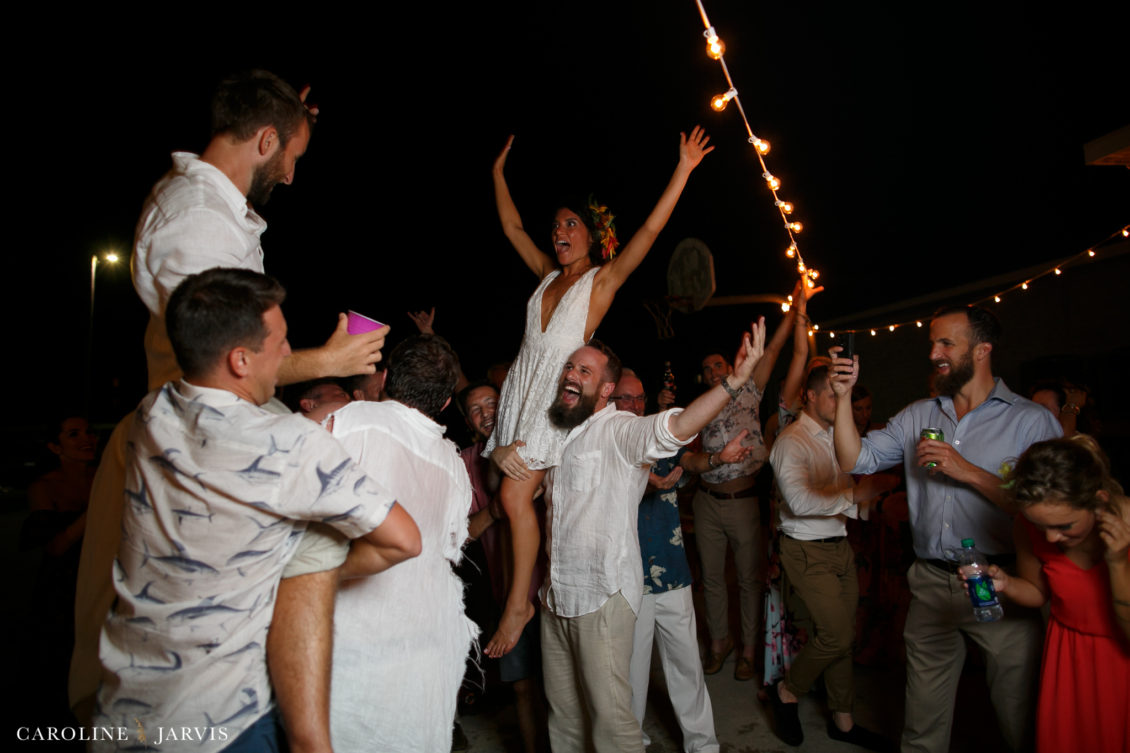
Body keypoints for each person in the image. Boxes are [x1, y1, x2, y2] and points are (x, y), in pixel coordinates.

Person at [71, 70, 388, 752]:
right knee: (310, 549)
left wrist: (289, 118)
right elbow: (220, 358)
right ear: (264, 139)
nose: (294, 176)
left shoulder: (213, 206)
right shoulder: (197, 219)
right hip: (195, 460)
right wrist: (329, 364)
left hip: (203, 443)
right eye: (292, 157)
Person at [93, 268, 420, 753]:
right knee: (320, 539)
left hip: (123, 714)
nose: (290, 355)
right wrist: (287, 576)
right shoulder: (289, 444)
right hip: (222, 723)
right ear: (240, 359)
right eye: (282, 342)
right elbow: (404, 539)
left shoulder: (150, 414)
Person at [482, 127, 714, 657]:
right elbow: (512, 225)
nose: (559, 230)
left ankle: (520, 605)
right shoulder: (546, 276)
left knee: (513, 494)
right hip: (520, 394)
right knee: (520, 493)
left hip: (553, 403)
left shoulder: (600, 283)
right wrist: (497, 174)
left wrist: (682, 168)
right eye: (557, 223)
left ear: (592, 235)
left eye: (571, 224)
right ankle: (543, 591)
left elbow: (650, 234)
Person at [830, 304, 1062, 753]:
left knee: (1022, 719)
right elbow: (853, 459)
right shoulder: (917, 415)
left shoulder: (1031, 421)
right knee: (921, 727)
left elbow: (1049, 506)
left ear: (982, 350)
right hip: (933, 584)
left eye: (946, 344)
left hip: (1006, 585)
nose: (934, 352)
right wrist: (842, 397)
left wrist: (969, 471)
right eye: (932, 343)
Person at [540, 321, 765, 753]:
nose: (572, 373)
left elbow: (675, 428)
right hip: (557, 599)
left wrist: (733, 383)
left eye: (585, 371)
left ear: (606, 391)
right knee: (564, 720)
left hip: (601, 598)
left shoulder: (619, 430)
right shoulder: (560, 434)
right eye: (570, 366)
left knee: (614, 725)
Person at [328, 334, 478, 752]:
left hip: (352, 630)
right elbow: (451, 549)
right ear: (446, 403)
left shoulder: (352, 420)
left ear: (386, 378)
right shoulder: (453, 464)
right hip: (424, 635)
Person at [973, 436, 1129, 753]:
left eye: (1064, 525)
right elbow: (1037, 592)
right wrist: (1007, 584)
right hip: (1068, 658)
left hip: (1121, 660)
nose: (1050, 537)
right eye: (1038, 524)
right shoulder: (1030, 527)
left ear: (1099, 501)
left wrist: (1118, 564)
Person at [768, 363, 896, 750]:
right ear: (809, 395)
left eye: (843, 395)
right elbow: (800, 500)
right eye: (832, 394)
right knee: (836, 634)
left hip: (839, 545)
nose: (839, 402)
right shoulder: (791, 441)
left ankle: (843, 721)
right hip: (805, 550)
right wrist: (857, 495)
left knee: (843, 636)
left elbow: (848, 489)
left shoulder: (838, 436)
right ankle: (787, 691)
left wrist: (869, 501)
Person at [682, 301, 798, 680]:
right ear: (702, 378)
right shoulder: (698, 406)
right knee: (712, 579)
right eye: (707, 368)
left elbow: (774, 350)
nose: (714, 370)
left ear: (731, 369)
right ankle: (720, 643)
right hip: (706, 501)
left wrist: (795, 309)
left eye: (719, 365)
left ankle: (749, 650)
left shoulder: (750, 389)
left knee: (749, 580)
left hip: (743, 501)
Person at [611, 371, 720, 753]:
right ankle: (632, 743)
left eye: (640, 398)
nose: (635, 406)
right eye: (626, 398)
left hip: (673, 570)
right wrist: (643, 480)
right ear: (609, 400)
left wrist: (719, 457)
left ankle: (703, 745)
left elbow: (689, 461)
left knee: (687, 664)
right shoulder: (609, 442)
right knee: (632, 670)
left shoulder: (659, 438)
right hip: (629, 578)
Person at [459, 380, 549, 753]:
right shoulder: (466, 463)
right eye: (476, 410)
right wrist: (495, 510)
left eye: (492, 403)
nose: (486, 414)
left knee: (562, 685)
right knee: (523, 687)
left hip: (553, 589)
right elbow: (461, 535)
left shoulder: (537, 445)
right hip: (509, 593)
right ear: (469, 421)